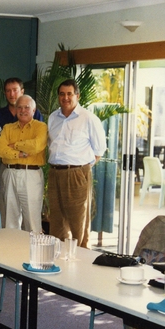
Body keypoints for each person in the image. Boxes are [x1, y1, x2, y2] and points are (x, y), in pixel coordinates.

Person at [47, 79, 106, 248]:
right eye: (62, 94)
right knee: (56, 219)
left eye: (69, 94)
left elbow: (99, 150)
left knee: (78, 220)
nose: (65, 97)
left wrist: (81, 169)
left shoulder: (88, 118)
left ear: (77, 96)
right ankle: (58, 257)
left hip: (77, 174)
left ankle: (81, 259)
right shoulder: (53, 117)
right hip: (54, 173)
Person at [0, 77, 44, 224]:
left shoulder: (40, 126)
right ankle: (11, 247)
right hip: (8, 172)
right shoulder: (8, 127)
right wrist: (20, 153)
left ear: (34, 110)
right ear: (15, 111)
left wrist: (14, 145)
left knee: (32, 220)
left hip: (31, 174)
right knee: (9, 218)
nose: (22, 110)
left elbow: (35, 146)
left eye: (26, 108)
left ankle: (33, 247)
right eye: (19, 108)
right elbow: (0, 149)